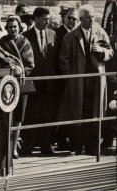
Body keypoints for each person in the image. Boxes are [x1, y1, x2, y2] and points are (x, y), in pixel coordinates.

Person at [58, 4, 113, 155]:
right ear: (81, 19)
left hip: (96, 82)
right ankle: (76, 146)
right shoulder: (70, 37)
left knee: (94, 114)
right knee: (78, 114)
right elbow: (63, 61)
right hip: (78, 83)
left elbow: (110, 52)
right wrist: (73, 77)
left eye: (93, 17)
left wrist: (102, 51)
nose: (92, 20)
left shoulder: (100, 32)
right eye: (89, 17)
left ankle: (92, 147)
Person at [21, 7, 57, 156]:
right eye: (44, 19)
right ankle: (28, 146)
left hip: (48, 83)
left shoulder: (52, 34)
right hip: (33, 82)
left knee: (47, 115)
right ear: (36, 18)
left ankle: (46, 146)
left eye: (48, 19)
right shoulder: (26, 36)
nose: (47, 22)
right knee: (31, 115)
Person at [0, 16, 34, 159]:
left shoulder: (25, 42)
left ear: (19, 27)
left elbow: (30, 63)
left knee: (18, 117)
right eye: (10, 27)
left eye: (15, 26)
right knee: (6, 116)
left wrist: (21, 71)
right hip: (6, 84)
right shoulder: (2, 42)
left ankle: (14, 148)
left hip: (21, 83)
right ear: (6, 28)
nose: (13, 29)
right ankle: (5, 146)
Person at [54, 8, 78, 151]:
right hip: (62, 80)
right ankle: (60, 139)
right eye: (69, 18)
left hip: (76, 80)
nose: (71, 21)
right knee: (61, 111)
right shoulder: (58, 34)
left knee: (72, 110)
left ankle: (67, 138)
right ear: (64, 18)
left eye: (74, 19)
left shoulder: (78, 34)